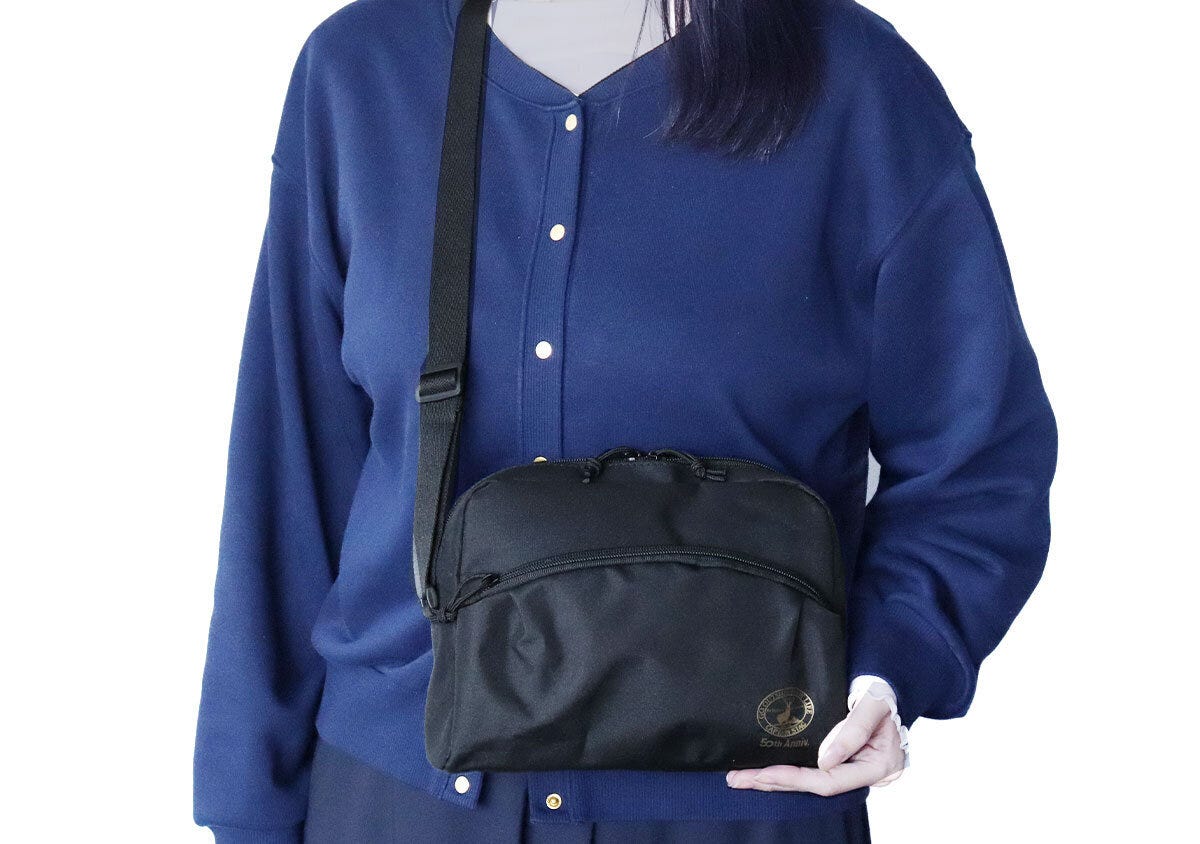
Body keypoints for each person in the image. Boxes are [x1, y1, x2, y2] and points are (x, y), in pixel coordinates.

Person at [191, 0, 1059, 841]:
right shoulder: (360, 71)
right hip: (400, 801)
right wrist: (249, 809)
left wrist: (888, 668)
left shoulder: (860, 87)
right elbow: (289, 478)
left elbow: (981, 463)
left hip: (741, 800)